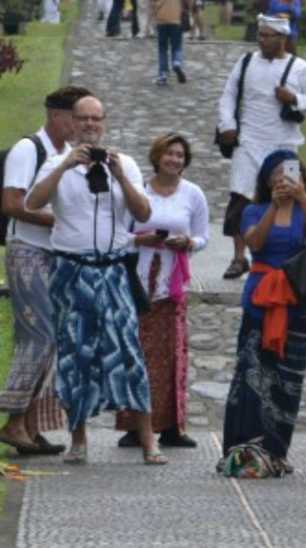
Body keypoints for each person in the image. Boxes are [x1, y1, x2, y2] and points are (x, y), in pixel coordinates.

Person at [26, 95, 167, 466]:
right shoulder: (57, 163)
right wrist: (63, 168)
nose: (89, 124)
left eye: (96, 119)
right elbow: (31, 203)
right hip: (71, 271)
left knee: (129, 353)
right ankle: (79, 439)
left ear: (104, 123)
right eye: (83, 119)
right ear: (71, 123)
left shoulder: (127, 164)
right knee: (75, 354)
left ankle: (148, 439)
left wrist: (120, 175)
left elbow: (143, 212)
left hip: (113, 269)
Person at [0, 86, 92, 455]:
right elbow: (11, 202)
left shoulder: (69, 154)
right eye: (76, 117)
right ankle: (13, 418)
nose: (82, 124)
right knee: (38, 336)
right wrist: (56, 220)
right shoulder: (28, 150)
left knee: (55, 339)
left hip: (59, 254)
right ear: (56, 115)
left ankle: (28, 425)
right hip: (27, 251)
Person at [222, 150, 306, 472]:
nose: (284, 179)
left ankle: (277, 450)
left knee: (288, 377)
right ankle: (245, 447)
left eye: (291, 173)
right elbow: (254, 243)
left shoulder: (305, 211)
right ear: (267, 180)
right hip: (261, 298)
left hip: (296, 300)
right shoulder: (254, 210)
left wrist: (303, 199)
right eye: (277, 174)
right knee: (254, 370)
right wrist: (275, 208)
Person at [116, 133, 209, 449]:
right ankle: (133, 426)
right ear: (157, 157)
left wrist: (189, 243)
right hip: (140, 283)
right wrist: (139, 240)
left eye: (180, 155)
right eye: (169, 153)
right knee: (136, 354)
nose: (174, 160)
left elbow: (202, 235)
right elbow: (120, 233)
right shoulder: (138, 192)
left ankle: (172, 426)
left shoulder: (193, 194)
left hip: (171, 285)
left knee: (173, 356)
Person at [218, 14, 306, 280]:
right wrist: (227, 123)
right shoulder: (245, 63)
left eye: (267, 36)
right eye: (260, 35)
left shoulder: (300, 68)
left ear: (283, 38)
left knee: (287, 196)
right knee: (240, 198)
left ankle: (286, 253)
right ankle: (239, 257)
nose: (262, 40)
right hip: (249, 141)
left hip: (285, 144)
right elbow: (228, 95)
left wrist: (294, 98)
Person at [152, 0, 188, 85]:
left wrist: (153, 17)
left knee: (162, 49)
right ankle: (176, 62)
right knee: (177, 46)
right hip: (176, 19)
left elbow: (151, 3)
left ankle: (163, 75)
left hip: (161, 19)